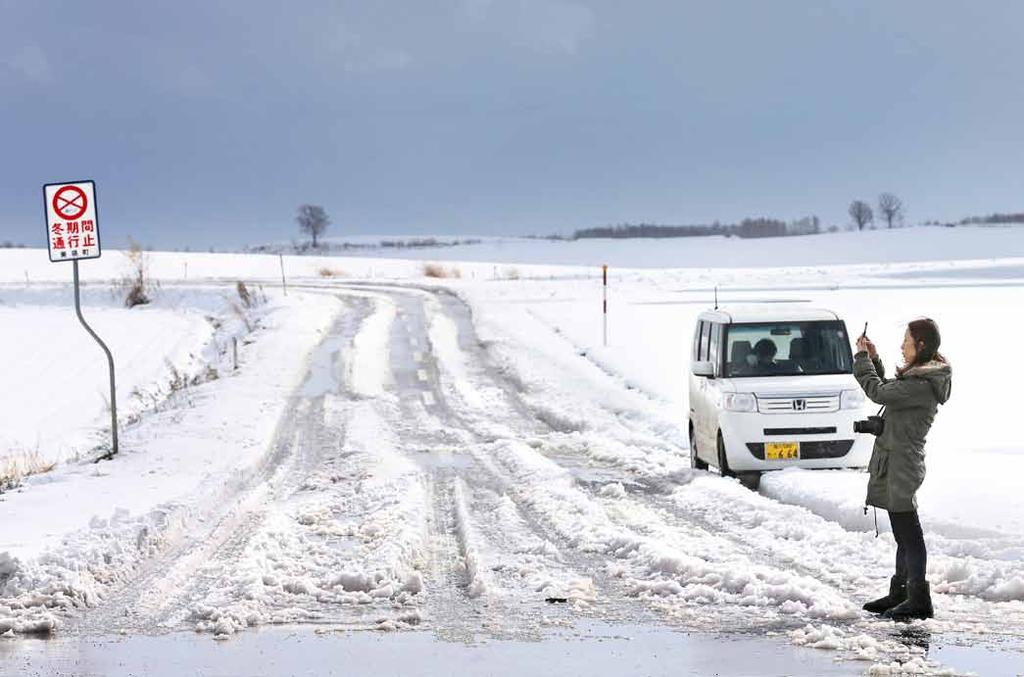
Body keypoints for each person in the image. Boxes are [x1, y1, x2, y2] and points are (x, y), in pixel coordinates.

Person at [854, 318, 952, 621]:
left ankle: (919, 598)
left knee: (909, 533)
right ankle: (901, 593)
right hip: (898, 462)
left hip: (903, 465)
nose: (902, 345)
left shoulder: (922, 386)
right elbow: (891, 389)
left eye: (906, 341)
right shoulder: (918, 380)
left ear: (920, 345)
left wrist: (861, 359)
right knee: (903, 533)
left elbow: (880, 393)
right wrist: (874, 358)